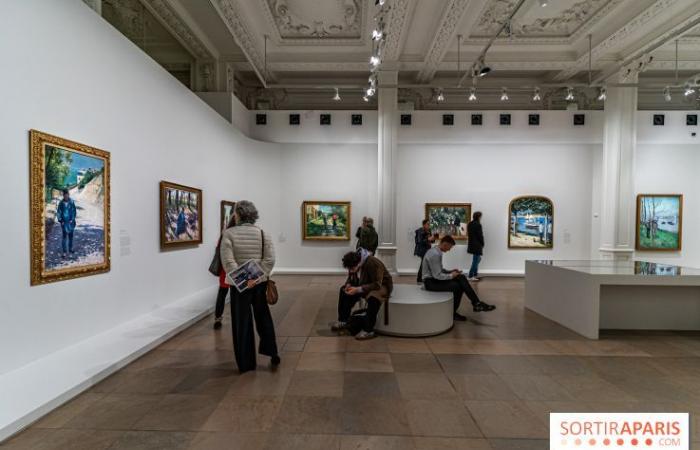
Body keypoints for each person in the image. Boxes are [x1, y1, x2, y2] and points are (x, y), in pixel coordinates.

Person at [220, 200, 280, 373]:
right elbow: (269, 260)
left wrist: (243, 280)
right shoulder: (263, 234)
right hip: (259, 284)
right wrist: (256, 278)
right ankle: (273, 352)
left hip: (239, 287)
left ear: (237, 214)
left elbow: (228, 262)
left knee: (241, 323)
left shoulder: (229, 234)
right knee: (264, 318)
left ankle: (246, 363)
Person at [422, 235, 496, 321]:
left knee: (461, 277)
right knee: (458, 287)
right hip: (430, 283)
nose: (449, 250)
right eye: (449, 247)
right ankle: (465, 308)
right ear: (445, 244)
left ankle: (476, 304)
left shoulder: (436, 252)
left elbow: (440, 270)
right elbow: (437, 275)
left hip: (433, 280)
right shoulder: (434, 254)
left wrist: (451, 271)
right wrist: (451, 275)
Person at [330, 248, 393, 340]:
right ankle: (343, 320)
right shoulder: (354, 261)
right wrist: (348, 284)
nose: (350, 271)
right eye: (349, 269)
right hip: (365, 283)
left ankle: (368, 330)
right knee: (344, 291)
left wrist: (358, 289)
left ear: (358, 263)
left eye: (351, 268)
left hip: (382, 285)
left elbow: (377, 284)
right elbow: (351, 276)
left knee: (373, 297)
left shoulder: (372, 263)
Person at [213, 214, 237, 330]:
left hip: (225, 267)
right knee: (235, 293)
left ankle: (218, 318)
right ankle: (237, 318)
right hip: (235, 267)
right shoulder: (236, 234)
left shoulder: (225, 234)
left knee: (222, 292)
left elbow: (218, 249)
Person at [57, 189, 77, 258]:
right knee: (64, 237)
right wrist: (60, 220)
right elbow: (59, 212)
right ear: (63, 195)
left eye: (67, 195)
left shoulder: (71, 202)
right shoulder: (61, 203)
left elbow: (74, 211)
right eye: (65, 195)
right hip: (64, 223)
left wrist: (72, 219)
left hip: (71, 222)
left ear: (68, 195)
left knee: (71, 237)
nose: (66, 196)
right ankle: (64, 252)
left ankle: (70, 249)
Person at [467, 211, 484, 281]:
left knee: (477, 259)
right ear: (478, 217)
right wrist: (482, 243)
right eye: (480, 216)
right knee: (476, 260)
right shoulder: (478, 224)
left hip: (471, 244)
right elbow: (480, 235)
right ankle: (471, 275)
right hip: (477, 244)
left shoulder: (470, 224)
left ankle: (475, 275)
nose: (481, 218)